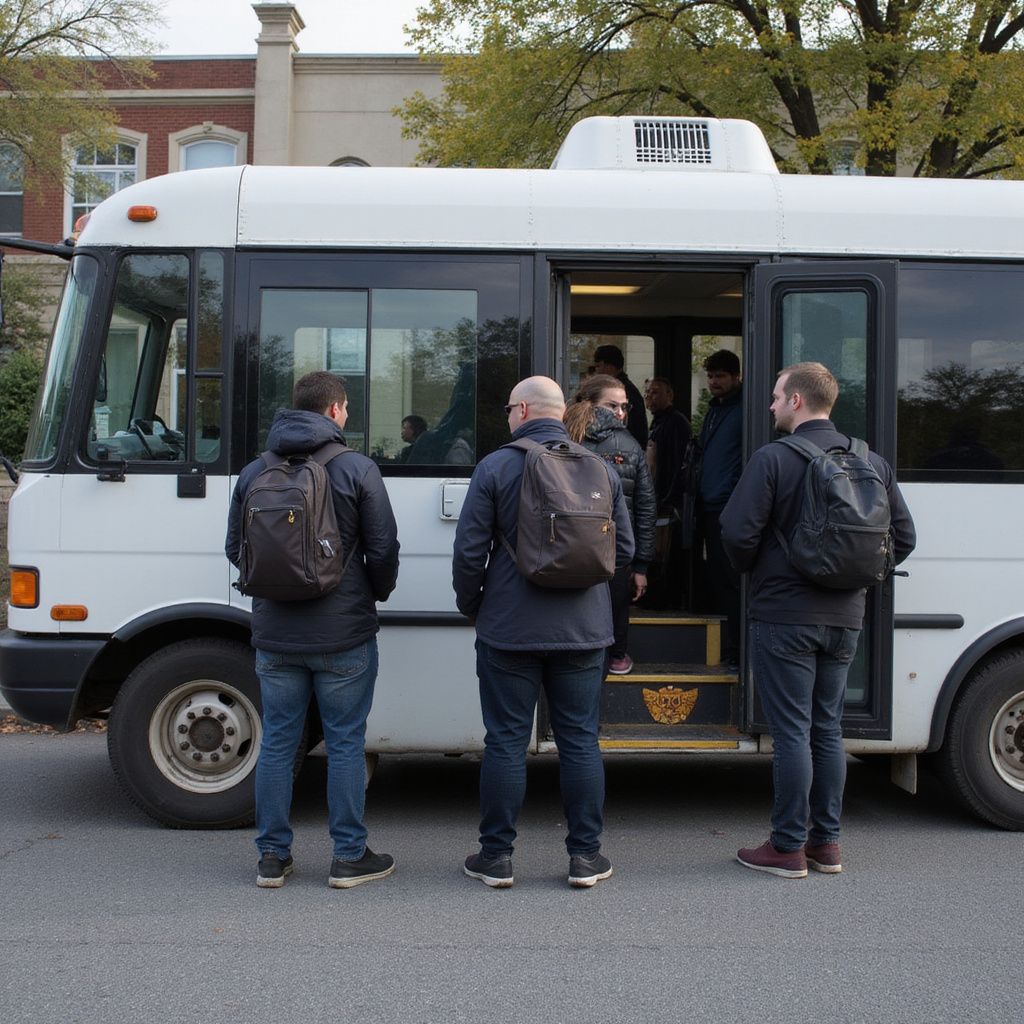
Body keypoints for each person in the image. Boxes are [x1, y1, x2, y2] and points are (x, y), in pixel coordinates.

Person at [720, 362, 915, 878]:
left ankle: (786, 847)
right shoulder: (871, 461)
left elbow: (737, 533)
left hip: (784, 614)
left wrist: (759, 572)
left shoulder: (774, 459)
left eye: (776, 396)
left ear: (797, 402)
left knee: (791, 732)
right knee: (827, 730)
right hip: (847, 615)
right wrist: (856, 578)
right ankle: (825, 845)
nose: (770, 405)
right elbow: (904, 537)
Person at [452, 375, 634, 888]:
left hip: (509, 628)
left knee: (506, 741)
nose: (507, 415)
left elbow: (469, 553)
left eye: (510, 407)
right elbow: (625, 552)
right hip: (583, 629)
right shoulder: (599, 467)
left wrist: (476, 608)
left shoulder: (495, 466)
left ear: (524, 410)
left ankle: (496, 858)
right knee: (580, 741)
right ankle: (585, 858)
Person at [226, 370, 401, 889]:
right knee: (346, 742)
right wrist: (375, 593)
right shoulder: (356, 468)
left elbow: (236, 550)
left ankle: (272, 859)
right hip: (344, 634)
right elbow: (383, 548)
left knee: (278, 742)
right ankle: (349, 856)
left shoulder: (254, 471)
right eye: (346, 409)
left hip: (276, 635)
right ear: (334, 411)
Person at [564, 374, 656, 675]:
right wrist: (641, 564)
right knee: (614, 612)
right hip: (616, 548)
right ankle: (616, 657)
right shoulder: (629, 443)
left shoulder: (564, 437)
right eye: (612, 405)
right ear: (590, 404)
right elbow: (645, 508)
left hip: (568, 545)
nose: (620, 413)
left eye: (624, 407)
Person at [695, 349, 743, 665]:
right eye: (711, 376)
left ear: (736, 377)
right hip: (710, 505)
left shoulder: (743, 411)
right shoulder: (715, 411)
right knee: (717, 578)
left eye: (721, 376)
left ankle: (738, 648)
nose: (714, 382)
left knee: (731, 580)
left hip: (728, 506)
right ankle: (730, 646)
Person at [643, 377, 691, 608]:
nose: (649, 397)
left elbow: (677, 464)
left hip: (667, 500)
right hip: (658, 497)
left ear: (669, 396)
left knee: (664, 554)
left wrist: (668, 498)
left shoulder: (675, 423)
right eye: (648, 392)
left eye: (655, 392)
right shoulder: (658, 422)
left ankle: (665, 600)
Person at [592, 344, 649, 449]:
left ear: (610, 367)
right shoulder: (628, 389)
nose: (596, 372)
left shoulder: (621, 392)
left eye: (598, 366)